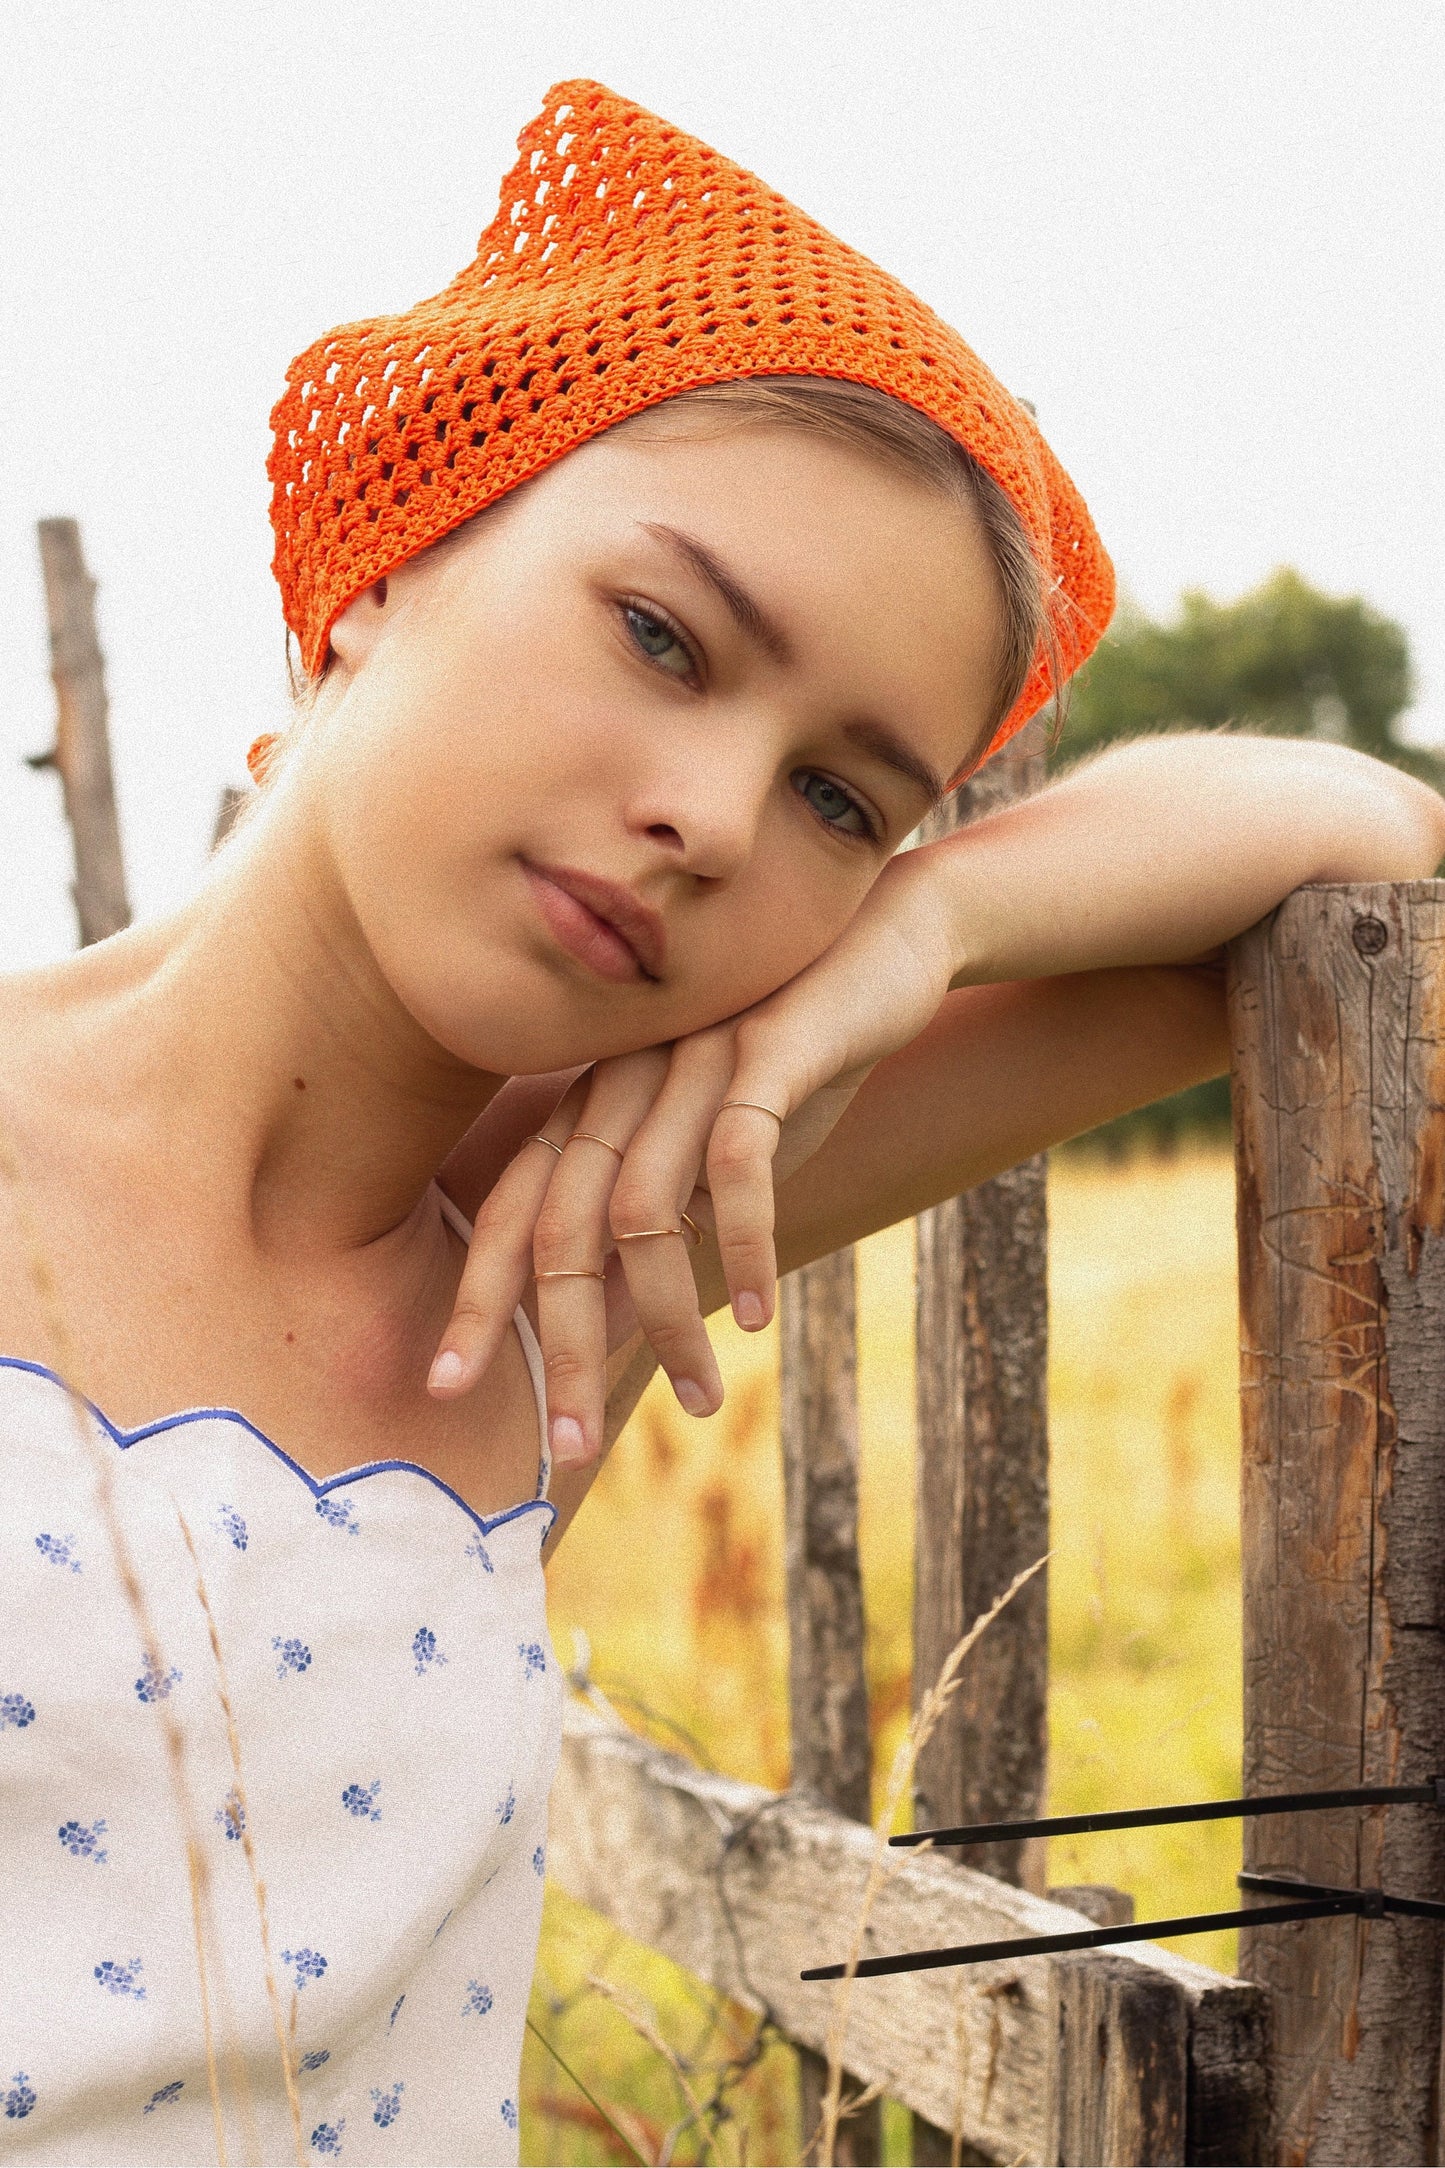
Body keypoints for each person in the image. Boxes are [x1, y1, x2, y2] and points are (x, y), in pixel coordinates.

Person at [1, 78, 1439, 2168]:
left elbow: (1362, 831)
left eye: (839, 794)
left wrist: (922, 925)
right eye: (662, 635)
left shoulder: (571, 1237)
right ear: (392, 555)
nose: (707, 818)